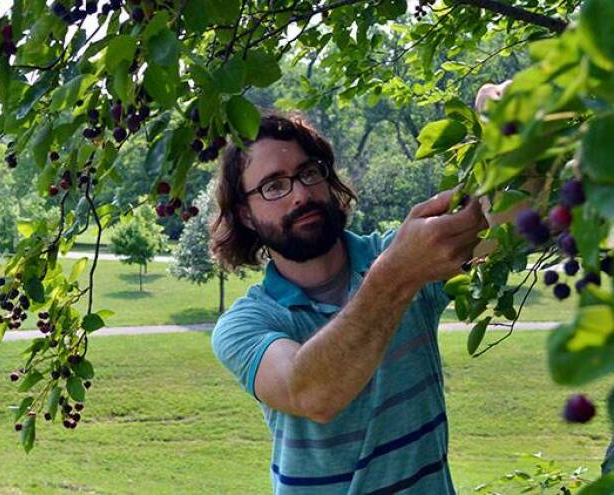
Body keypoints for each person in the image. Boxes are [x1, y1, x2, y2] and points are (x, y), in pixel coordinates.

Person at [208, 107, 493, 493]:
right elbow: (311, 393)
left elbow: (508, 220)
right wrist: (397, 274)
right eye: (274, 186)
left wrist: (509, 129)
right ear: (244, 214)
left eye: (309, 172)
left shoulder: (403, 255)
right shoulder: (246, 324)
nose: (302, 195)